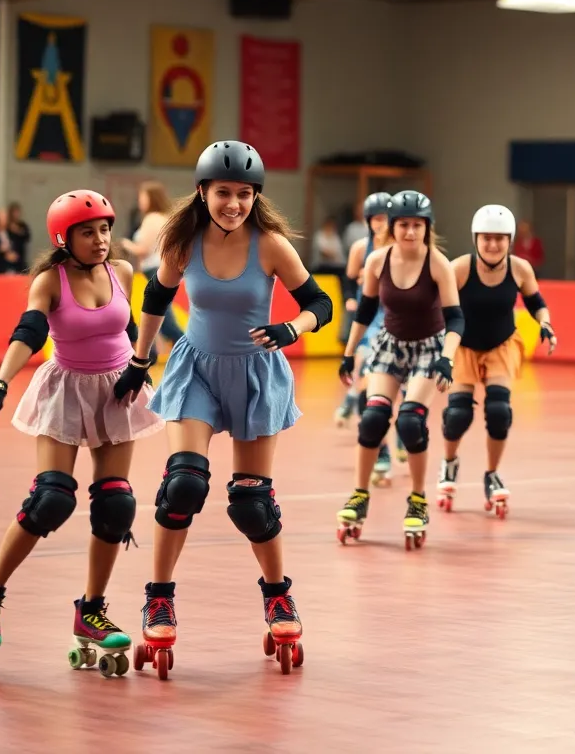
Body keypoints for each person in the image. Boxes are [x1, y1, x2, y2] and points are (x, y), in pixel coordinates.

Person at [116, 140, 333, 679]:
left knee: (251, 504)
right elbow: (154, 299)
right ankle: (159, 597)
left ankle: (278, 596)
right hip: (196, 370)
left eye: (242, 194)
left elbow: (320, 304)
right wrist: (140, 360)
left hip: (257, 374)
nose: (232, 203)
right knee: (184, 483)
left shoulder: (272, 246)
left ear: (254, 196)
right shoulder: (183, 241)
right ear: (202, 192)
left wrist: (292, 327)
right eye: (222, 193)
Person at [0, 190, 163, 678]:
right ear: (64, 239)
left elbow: (128, 327)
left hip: (115, 391)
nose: (101, 239)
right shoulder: (51, 280)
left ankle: (91, 611)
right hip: (66, 390)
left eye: (105, 229)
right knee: (52, 499)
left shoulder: (123, 272)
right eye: (88, 232)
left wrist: (138, 364)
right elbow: (29, 331)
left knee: (116, 505)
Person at [336, 190, 464, 549]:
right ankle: (359, 494)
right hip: (389, 344)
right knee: (373, 417)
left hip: (429, 348)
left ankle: (419, 498)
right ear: (392, 228)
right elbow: (363, 312)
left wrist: (446, 358)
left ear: (428, 228)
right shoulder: (377, 260)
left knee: (409, 421)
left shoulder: (437, 263)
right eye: (404, 225)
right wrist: (348, 354)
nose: (410, 232)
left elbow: (456, 319)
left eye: (417, 226)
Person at [437, 204, 556, 517]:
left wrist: (545, 323)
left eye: (500, 239)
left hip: (501, 345)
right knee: (458, 415)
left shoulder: (519, 269)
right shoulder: (459, 268)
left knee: (499, 411)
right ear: (476, 239)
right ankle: (449, 464)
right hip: (463, 346)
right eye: (486, 238)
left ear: (510, 241)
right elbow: (441, 310)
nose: (492, 244)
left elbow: (537, 303)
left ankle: (491, 474)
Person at [333, 192, 401, 483]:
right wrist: (351, 298)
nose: (380, 225)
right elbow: (348, 280)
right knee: (366, 373)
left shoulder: (401, 248)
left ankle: (405, 434)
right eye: (375, 219)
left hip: (395, 319)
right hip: (369, 317)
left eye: (385, 219)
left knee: (404, 387)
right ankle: (381, 445)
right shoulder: (362, 248)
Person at [120, 180, 184, 355]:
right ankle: (154, 350)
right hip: (162, 267)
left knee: (160, 314)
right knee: (159, 312)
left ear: (151, 198)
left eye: (142, 196)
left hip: (154, 268)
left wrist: (126, 244)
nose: (140, 200)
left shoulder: (151, 218)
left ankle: (181, 345)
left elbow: (143, 250)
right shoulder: (164, 217)